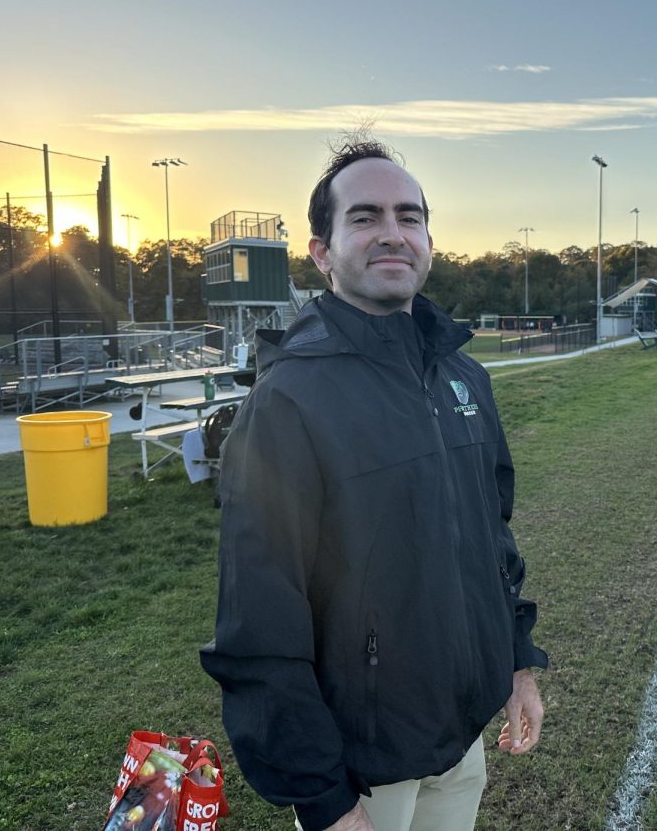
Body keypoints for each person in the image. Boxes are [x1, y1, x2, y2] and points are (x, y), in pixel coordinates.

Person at [201, 139, 547, 831]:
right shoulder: (290, 399)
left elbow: (490, 540)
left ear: (427, 241)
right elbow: (260, 619)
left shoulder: (461, 376)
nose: (392, 232)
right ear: (322, 251)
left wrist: (516, 664)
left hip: (459, 738)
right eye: (364, 217)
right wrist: (324, 800)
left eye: (409, 216)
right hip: (364, 774)